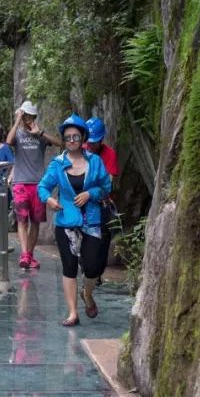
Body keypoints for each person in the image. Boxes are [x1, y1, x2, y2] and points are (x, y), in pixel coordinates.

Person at [38, 114, 112, 327]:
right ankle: (72, 313)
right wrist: (50, 199)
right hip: (66, 221)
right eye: (68, 137)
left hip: (92, 221)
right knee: (69, 266)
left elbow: (106, 187)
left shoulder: (95, 161)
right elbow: (42, 187)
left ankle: (87, 294)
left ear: (83, 138)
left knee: (92, 267)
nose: (71, 141)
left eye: (76, 137)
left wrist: (91, 194)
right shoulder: (57, 164)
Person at [8, 101, 62, 270]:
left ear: (34, 117)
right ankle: (24, 255)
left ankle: (29, 255)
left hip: (38, 184)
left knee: (36, 222)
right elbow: (8, 141)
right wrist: (18, 120)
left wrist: (41, 133)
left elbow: (60, 143)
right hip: (20, 183)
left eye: (30, 116)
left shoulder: (40, 136)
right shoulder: (17, 134)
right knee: (22, 220)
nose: (27, 119)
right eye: (25, 116)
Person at [84, 116, 120, 286]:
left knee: (103, 238)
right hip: (84, 201)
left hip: (103, 202)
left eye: (94, 142)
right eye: (88, 141)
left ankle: (97, 273)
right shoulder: (81, 151)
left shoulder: (109, 154)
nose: (90, 145)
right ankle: (87, 268)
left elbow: (110, 181)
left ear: (101, 140)